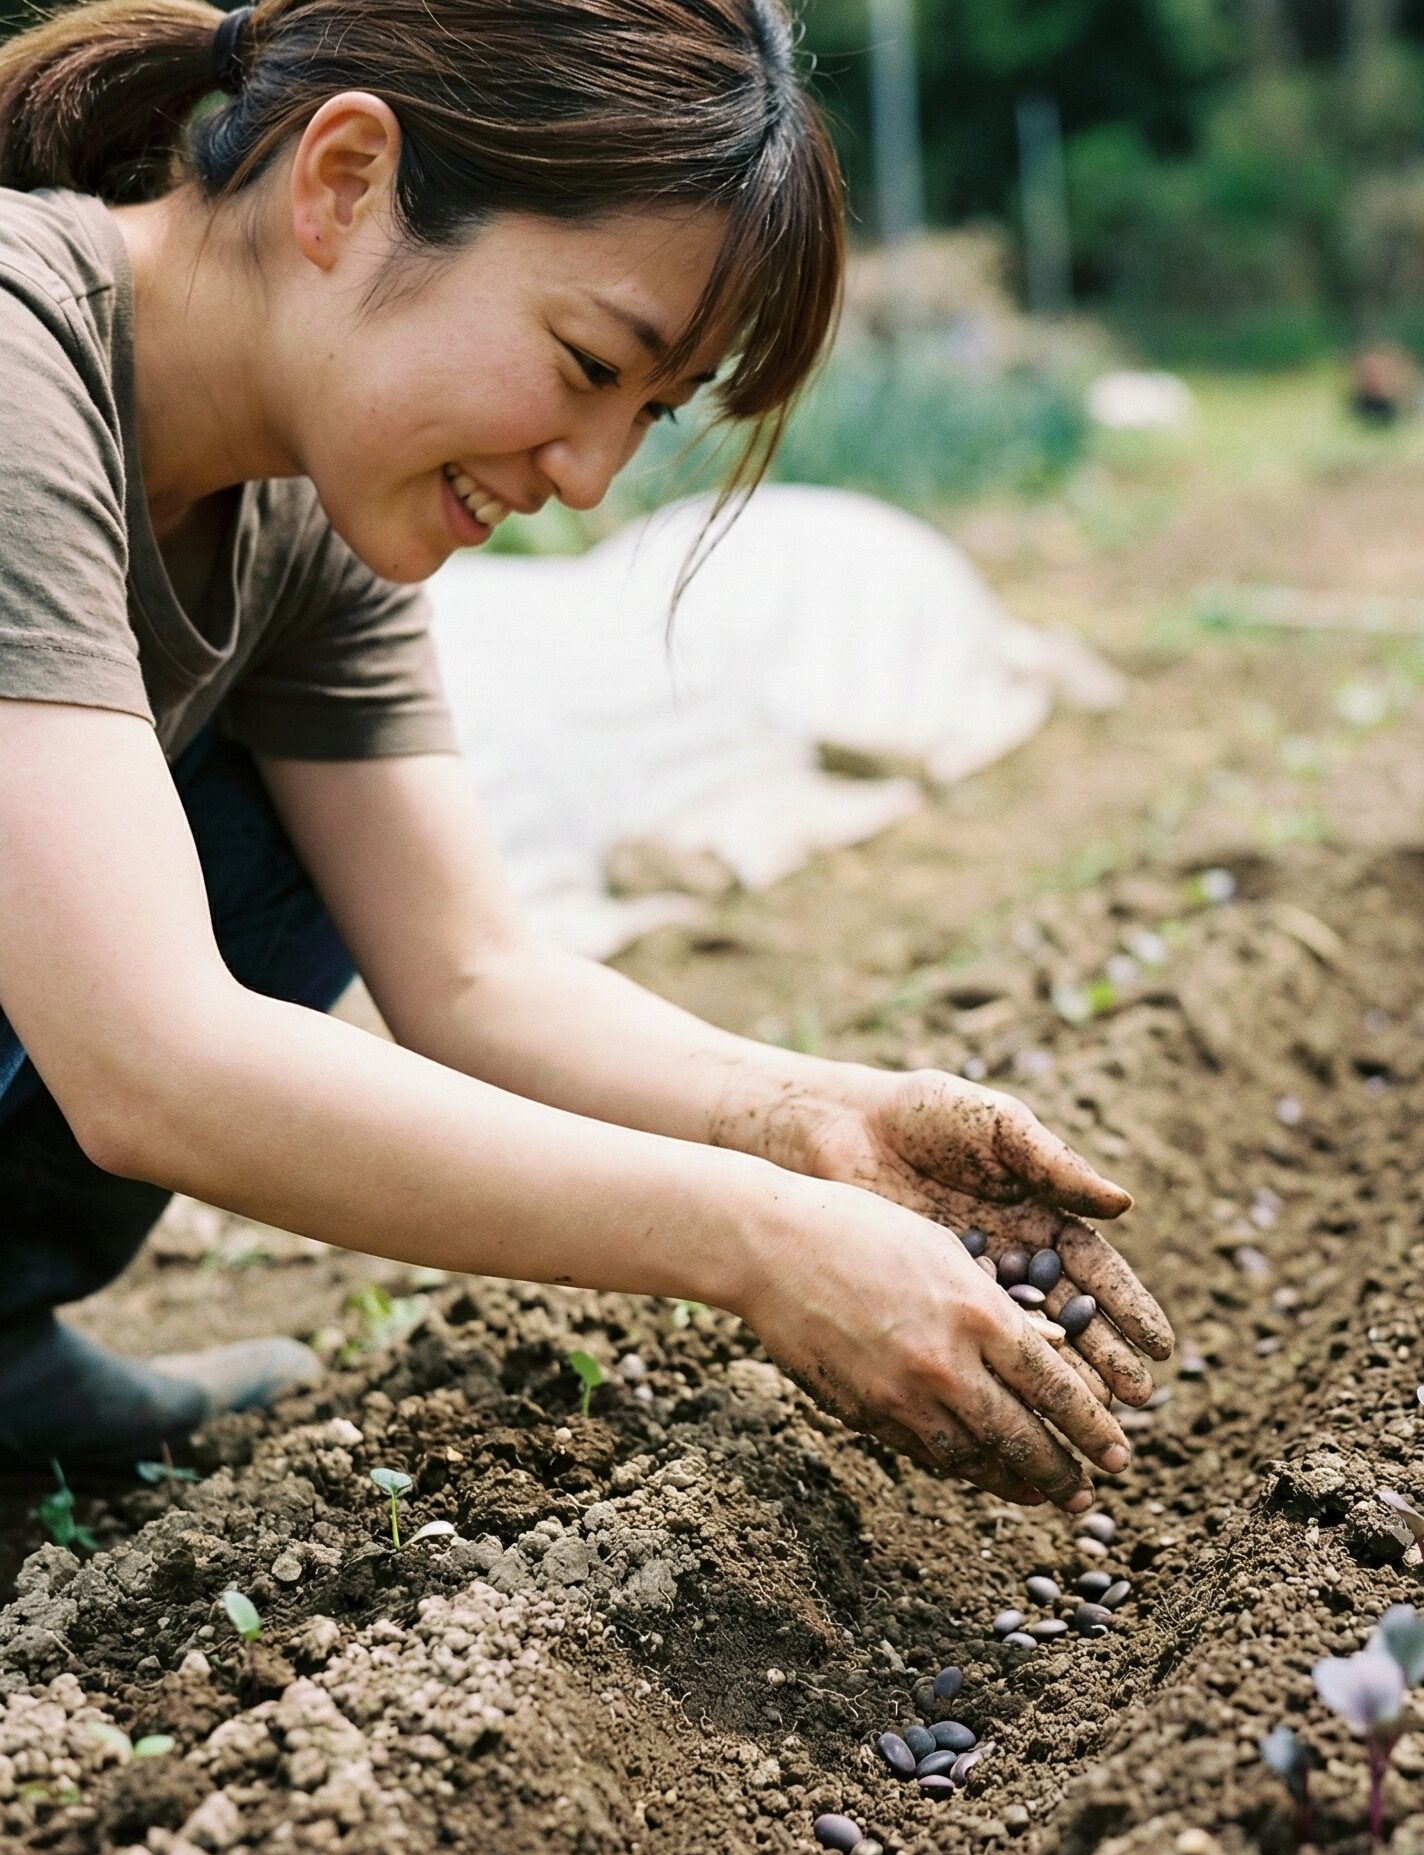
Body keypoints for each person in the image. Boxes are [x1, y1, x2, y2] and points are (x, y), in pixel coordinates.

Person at [0, 0, 1171, 1511]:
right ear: (345, 183)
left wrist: (819, 1124)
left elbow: (474, 972)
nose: (589, 475)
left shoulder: (306, 502)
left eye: (650, 411)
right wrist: (757, 1243)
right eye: (585, 361)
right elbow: (149, 1059)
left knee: (285, 840)